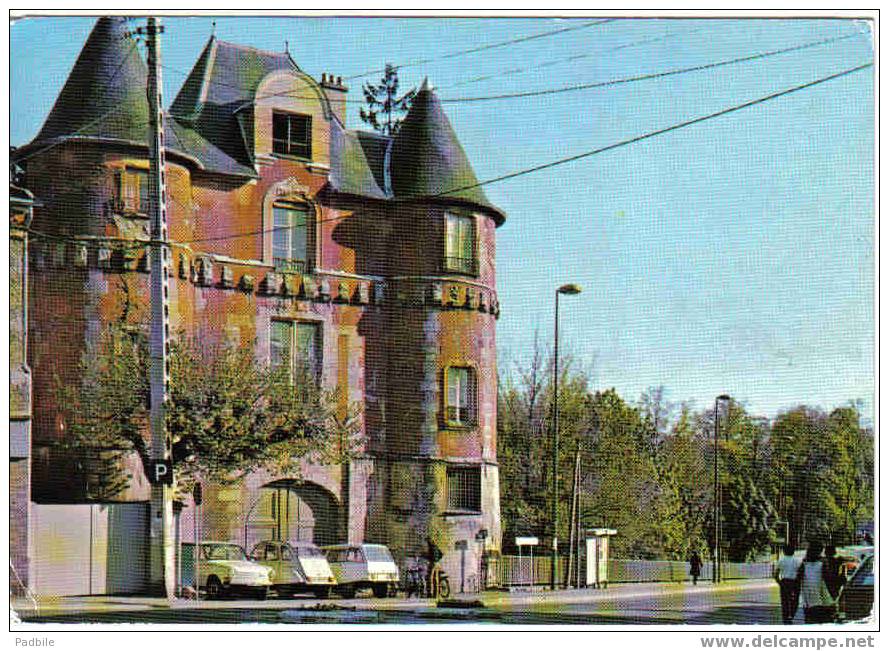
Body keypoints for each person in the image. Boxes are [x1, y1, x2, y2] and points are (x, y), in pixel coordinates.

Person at [798, 542, 837, 623]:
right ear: (819, 551)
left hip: (808, 600)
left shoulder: (803, 564)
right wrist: (834, 595)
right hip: (823, 600)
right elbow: (828, 580)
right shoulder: (822, 563)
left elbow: (798, 580)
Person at [774, 545, 802, 624]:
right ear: (793, 551)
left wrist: (779, 582)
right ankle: (792, 615)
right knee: (795, 600)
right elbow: (800, 572)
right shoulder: (797, 561)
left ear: (784, 551)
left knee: (785, 601)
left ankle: (785, 618)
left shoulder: (781, 560)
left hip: (784, 581)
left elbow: (776, 573)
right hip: (794, 581)